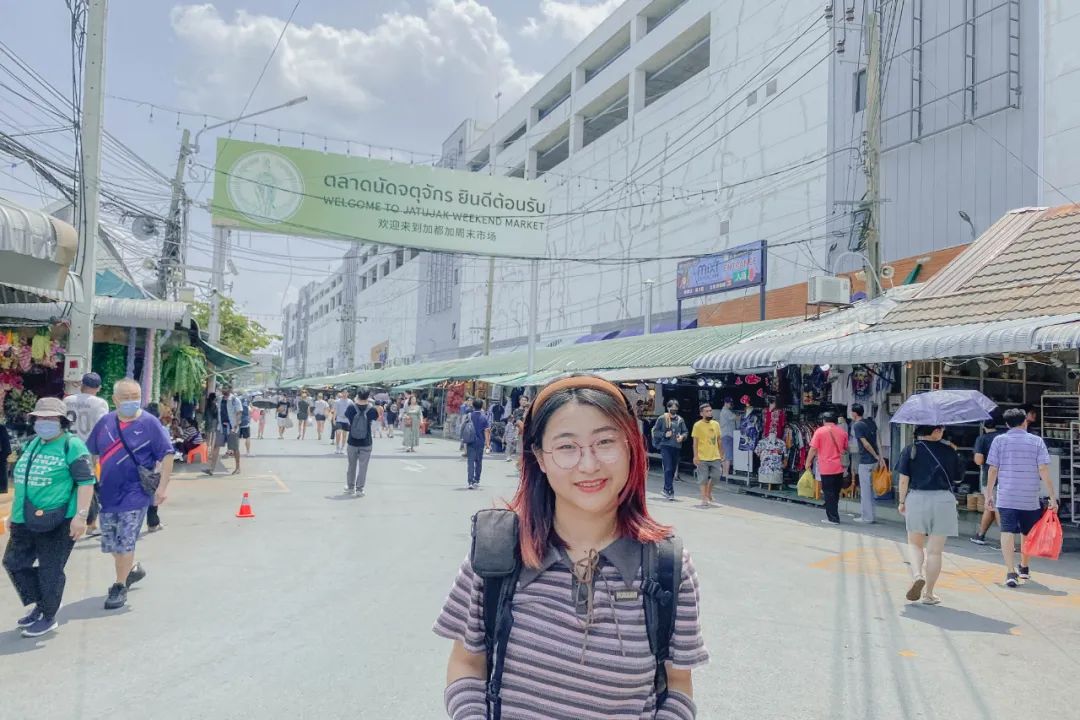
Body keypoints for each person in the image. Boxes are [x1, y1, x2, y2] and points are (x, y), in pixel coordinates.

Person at [433, 376, 708, 719]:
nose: (588, 465)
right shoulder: (499, 549)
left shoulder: (668, 566)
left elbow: (678, 684)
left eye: (605, 442)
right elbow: (466, 663)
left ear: (630, 447)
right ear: (540, 458)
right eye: (566, 447)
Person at [2, 397, 95, 638]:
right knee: (13, 563)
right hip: (25, 518)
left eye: (50, 418)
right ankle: (45, 601)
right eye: (40, 418)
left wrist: (80, 517)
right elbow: (22, 482)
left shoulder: (72, 446)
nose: (44, 422)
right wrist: (13, 514)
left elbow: (86, 483)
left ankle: (48, 615)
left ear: (62, 421)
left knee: (50, 570)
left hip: (59, 519)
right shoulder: (33, 444)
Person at [86, 379, 174, 610]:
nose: (130, 401)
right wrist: (88, 483)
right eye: (125, 397)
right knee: (113, 544)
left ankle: (118, 586)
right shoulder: (105, 423)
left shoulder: (150, 423)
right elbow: (91, 453)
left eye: (134, 396)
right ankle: (131, 570)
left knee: (125, 541)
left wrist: (162, 488)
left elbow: (167, 454)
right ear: (114, 399)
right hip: (107, 493)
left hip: (135, 494)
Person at [986, 408, 1058, 588]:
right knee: (1027, 533)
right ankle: (1024, 567)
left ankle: (1010, 572)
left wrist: (988, 493)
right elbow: (1043, 470)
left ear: (1007, 424)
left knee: (1007, 531)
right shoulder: (1036, 441)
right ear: (1025, 421)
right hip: (1029, 496)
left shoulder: (999, 441)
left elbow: (993, 469)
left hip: (1007, 496)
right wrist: (1052, 496)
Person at [896, 425, 961, 605]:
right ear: (934, 431)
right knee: (935, 552)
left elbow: (903, 479)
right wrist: (954, 454)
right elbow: (957, 478)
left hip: (917, 498)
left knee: (915, 544)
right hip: (944, 500)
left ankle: (917, 575)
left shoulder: (911, 449)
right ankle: (929, 594)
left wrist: (902, 501)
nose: (942, 432)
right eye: (940, 429)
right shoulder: (949, 450)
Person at [63, 372, 110, 536]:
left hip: (67, 447)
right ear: (99, 388)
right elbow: (102, 428)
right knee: (89, 484)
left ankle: (67, 519)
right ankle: (91, 523)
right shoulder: (100, 404)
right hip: (88, 450)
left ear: (81, 384)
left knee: (68, 483)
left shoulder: (67, 400)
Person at [807, 412, 849, 525]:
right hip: (839, 467)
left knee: (828, 492)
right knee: (835, 492)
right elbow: (845, 448)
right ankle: (834, 515)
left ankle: (833, 518)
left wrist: (808, 462)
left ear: (824, 420)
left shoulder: (820, 431)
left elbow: (813, 449)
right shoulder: (843, 432)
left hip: (826, 467)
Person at [971, 417, 1006, 545]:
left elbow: (979, 460)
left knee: (995, 507)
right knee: (990, 505)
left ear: (983, 425)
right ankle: (980, 535)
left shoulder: (982, 439)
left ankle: (1006, 540)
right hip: (1006, 476)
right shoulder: (1003, 438)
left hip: (990, 477)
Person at [850, 403, 886, 524]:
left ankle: (866, 517)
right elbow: (878, 440)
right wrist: (880, 457)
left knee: (865, 491)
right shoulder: (871, 422)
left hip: (866, 461)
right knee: (871, 490)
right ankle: (871, 515)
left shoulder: (857, 425)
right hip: (875, 462)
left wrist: (875, 455)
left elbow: (865, 444)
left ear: (854, 413)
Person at [344, 389, 380, 496]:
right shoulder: (372, 409)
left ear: (357, 396)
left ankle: (350, 488)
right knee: (363, 467)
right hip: (366, 442)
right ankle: (359, 489)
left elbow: (348, 420)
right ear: (368, 396)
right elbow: (375, 423)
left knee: (351, 466)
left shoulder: (351, 408)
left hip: (352, 441)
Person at [652, 399, 688, 500]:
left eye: (675, 410)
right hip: (665, 446)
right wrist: (664, 434)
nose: (673, 411)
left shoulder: (680, 420)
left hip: (676, 446)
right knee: (667, 468)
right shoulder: (662, 418)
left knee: (672, 469)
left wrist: (682, 437)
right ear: (668, 408)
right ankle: (669, 490)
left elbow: (685, 432)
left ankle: (665, 488)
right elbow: (655, 431)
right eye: (672, 409)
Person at [691, 403, 723, 507]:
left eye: (710, 411)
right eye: (707, 411)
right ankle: (704, 498)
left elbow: (719, 440)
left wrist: (721, 453)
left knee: (716, 476)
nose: (709, 413)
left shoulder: (716, 424)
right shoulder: (697, 425)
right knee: (703, 478)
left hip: (715, 456)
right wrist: (695, 456)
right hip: (702, 457)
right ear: (701, 413)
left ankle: (708, 492)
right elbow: (695, 442)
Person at [205, 387, 241, 476]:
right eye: (223, 389)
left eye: (226, 389)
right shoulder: (219, 399)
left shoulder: (235, 400)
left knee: (235, 448)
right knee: (216, 446)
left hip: (232, 427)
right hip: (221, 427)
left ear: (230, 390)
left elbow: (239, 413)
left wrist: (236, 426)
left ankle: (238, 468)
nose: (224, 390)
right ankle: (211, 469)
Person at [463, 398, 491, 489]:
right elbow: (486, 431)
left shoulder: (469, 415)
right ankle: (477, 480)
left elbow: (464, 427)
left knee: (470, 462)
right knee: (478, 462)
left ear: (473, 406)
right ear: (482, 406)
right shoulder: (484, 417)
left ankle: (470, 481)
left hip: (470, 441)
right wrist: (487, 444)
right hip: (480, 442)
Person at [717, 398, 737, 479]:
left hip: (724, 435)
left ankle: (724, 473)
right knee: (728, 455)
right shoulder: (726, 412)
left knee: (724, 455)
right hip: (728, 435)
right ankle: (726, 473)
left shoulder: (724, 411)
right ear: (726, 403)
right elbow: (735, 417)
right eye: (729, 403)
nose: (730, 405)